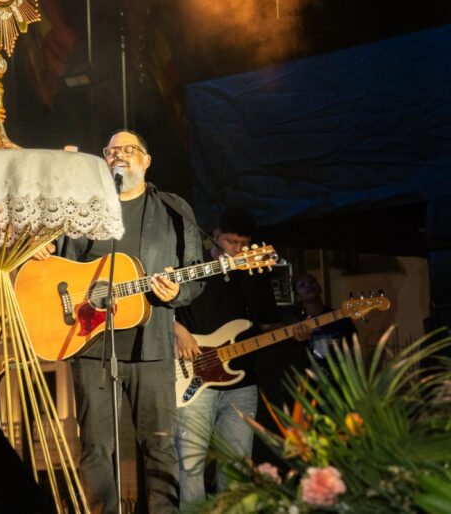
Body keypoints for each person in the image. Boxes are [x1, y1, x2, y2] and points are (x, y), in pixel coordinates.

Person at [40, 130, 204, 513]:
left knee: (159, 445)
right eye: (112, 151)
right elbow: (57, 262)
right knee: (95, 448)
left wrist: (176, 293)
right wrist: (41, 251)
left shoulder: (173, 209)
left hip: (153, 348)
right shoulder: (86, 207)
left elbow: (195, 272)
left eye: (129, 150)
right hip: (90, 346)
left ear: (146, 160)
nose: (119, 156)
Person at [173, 206, 281, 505]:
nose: (236, 249)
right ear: (215, 235)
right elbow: (159, 307)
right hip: (193, 378)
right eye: (231, 242)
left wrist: (296, 329)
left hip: (241, 382)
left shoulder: (252, 272)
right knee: (190, 467)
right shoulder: (191, 264)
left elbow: (267, 323)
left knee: (236, 468)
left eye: (243, 244)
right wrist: (177, 330)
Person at [292, 273, 357, 364]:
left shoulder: (340, 317)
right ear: (297, 297)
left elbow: (354, 347)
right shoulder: (296, 324)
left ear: (320, 288)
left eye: (312, 281)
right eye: (302, 285)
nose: (308, 285)